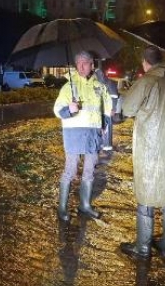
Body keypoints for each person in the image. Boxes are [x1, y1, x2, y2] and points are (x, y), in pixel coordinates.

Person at [119, 46, 165, 259]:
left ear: (145, 62)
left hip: (149, 150)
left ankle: (143, 247)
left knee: (146, 195)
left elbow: (127, 109)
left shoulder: (146, 81)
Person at [53, 51, 113, 221]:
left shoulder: (99, 86)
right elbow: (57, 110)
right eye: (78, 63)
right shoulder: (68, 87)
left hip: (93, 136)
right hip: (74, 135)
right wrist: (69, 110)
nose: (81, 66)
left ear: (92, 65)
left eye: (85, 62)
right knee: (70, 170)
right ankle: (62, 208)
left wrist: (104, 124)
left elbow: (106, 108)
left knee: (89, 171)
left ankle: (84, 205)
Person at [93, 68, 118, 152]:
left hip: (106, 111)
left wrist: (113, 108)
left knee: (106, 130)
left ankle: (106, 146)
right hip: (100, 111)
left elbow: (114, 97)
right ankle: (101, 145)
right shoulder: (96, 83)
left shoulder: (109, 83)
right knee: (101, 129)